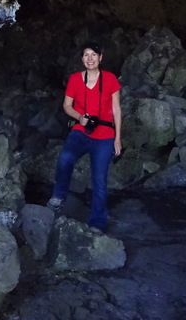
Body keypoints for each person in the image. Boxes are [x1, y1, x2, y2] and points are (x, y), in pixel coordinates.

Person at [47, 41, 122, 231]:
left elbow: (116, 109)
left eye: (93, 55)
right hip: (81, 131)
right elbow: (67, 106)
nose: (90, 58)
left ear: (100, 58)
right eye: (86, 55)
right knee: (65, 159)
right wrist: (79, 117)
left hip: (105, 135)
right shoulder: (74, 79)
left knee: (99, 180)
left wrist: (118, 138)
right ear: (82, 59)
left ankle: (97, 223)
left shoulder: (110, 79)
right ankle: (59, 195)